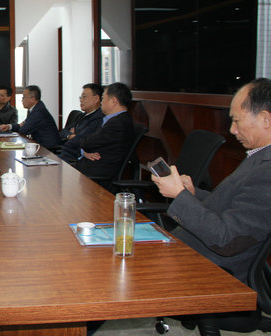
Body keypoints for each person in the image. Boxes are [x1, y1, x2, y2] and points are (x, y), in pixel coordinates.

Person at [152, 78, 271, 285]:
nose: (232, 129)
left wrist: (179, 196)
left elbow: (227, 240)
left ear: (265, 119)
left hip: (209, 269)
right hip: (189, 251)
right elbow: (232, 204)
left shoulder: (267, 172)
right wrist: (192, 193)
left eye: (237, 120)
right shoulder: (260, 156)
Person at [74, 82, 134, 179]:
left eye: (103, 98)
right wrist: (84, 151)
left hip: (95, 174)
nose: (101, 102)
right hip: (88, 169)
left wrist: (84, 148)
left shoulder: (117, 123)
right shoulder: (115, 119)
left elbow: (87, 143)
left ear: (113, 101)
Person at [0, 85, 61, 149]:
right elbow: (23, 126)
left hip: (48, 148)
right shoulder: (34, 108)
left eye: (24, 97)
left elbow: (23, 130)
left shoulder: (38, 111)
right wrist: (9, 126)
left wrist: (22, 125)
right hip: (40, 145)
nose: (22, 100)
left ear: (32, 99)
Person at [59, 83, 105, 164]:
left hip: (74, 159)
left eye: (84, 97)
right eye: (80, 97)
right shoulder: (82, 115)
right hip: (67, 154)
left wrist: (74, 135)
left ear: (96, 99)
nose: (81, 100)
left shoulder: (98, 118)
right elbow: (63, 132)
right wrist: (69, 135)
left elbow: (79, 141)